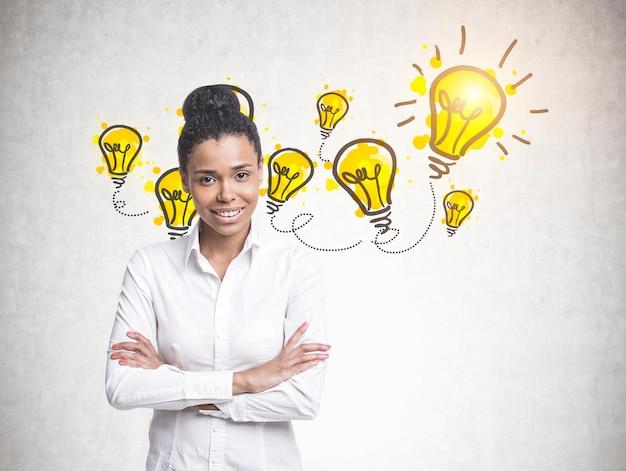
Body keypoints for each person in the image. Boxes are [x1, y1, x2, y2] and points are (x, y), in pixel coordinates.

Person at [105, 85, 330, 471]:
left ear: (262, 172)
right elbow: (123, 388)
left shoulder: (295, 268)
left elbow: (302, 399)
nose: (227, 194)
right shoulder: (149, 266)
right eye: (207, 179)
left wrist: (171, 379)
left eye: (241, 174)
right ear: (185, 180)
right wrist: (247, 380)